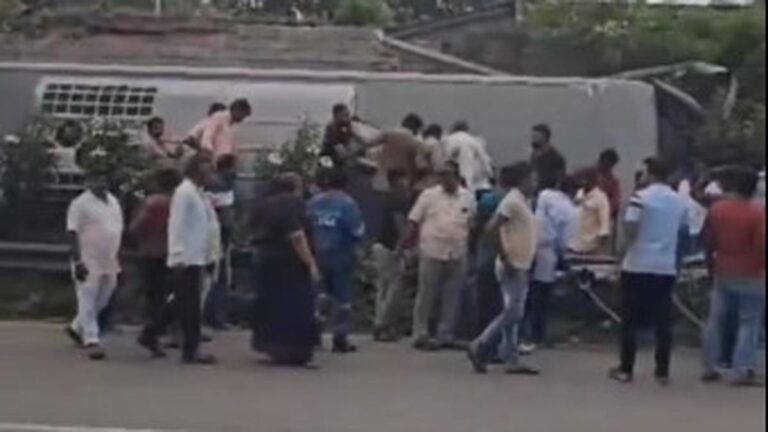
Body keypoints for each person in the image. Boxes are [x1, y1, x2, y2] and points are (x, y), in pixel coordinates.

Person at [609, 158, 689, 385]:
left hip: (637, 264)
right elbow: (683, 230)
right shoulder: (679, 201)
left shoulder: (640, 199)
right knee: (663, 320)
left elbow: (631, 230)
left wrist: (620, 257)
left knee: (629, 319)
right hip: (665, 266)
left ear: (650, 174)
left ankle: (626, 368)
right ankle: (662, 371)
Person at [138, 153, 219, 365]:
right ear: (198, 169)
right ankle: (191, 349)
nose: (212, 174)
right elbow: (176, 224)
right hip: (186, 257)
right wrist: (177, 255)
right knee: (190, 306)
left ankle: (150, 333)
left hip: (197, 255)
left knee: (180, 302)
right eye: (208, 169)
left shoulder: (199, 194)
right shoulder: (184, 193)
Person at [467, 162, 539, 375]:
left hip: (522, 262)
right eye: (532, 179)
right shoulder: (512, 202)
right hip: (512, 263)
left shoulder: (523, 202)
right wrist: (504, 255)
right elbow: (491, 228)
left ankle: (511, 356)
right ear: (523, 180)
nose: (535, 183)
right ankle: (480, 344)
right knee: (513, 312)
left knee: (514, 312)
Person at [701, 167, 765, 386]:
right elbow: (761, 245)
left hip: (722, 267)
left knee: (715, 319)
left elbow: (708, 240)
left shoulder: (717, 210)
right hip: (751, 271)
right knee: (749, 320)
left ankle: (709, 366)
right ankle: (742, 369)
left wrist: (710, 263)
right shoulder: (758, 213)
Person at [251, 173, 321, 366]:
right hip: (289, 262)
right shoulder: (293, 205)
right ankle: (296, 350)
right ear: (296, 187)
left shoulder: (264, 204)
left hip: (266, 260)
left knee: (272, 305)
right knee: (295, 305)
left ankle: (272, 346)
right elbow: (297, 236)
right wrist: (311, 263)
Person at [406, 161, 476, 351]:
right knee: (426, 295)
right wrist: (407, 247)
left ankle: (446, 334)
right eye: (441, 175)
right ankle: (420, 334)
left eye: (448, 174)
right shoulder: (429, 196)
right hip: (432, 250)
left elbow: (471, 223)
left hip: (457, 252)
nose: (444, 179)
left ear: (457, 176)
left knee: (451, 296)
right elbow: (413, 221)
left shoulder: (468, 197)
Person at [64, 169, 124, 361]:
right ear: (88, 182)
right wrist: (78, 260)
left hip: (109, 257)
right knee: (87, 296)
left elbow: (117, 228)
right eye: (96, 180)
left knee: (105, 296)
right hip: (88, 257)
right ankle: (91, 339)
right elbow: (72, 232)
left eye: (103, 179)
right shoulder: (80, 204)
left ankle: (76, 326)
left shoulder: (113, 201)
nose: (100, 183)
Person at [308, 168, 366, 353]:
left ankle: (313, 336)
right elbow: (357, 230)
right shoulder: (348, 204)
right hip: (341, 254)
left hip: (316, 254)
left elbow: (305, 226)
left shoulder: (313, 202)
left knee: (320, 294)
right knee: (343, 298)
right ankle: (340, 339)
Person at [521, 176, 578, 352]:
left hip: (528, 245)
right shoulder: (570, 210)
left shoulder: (545, 195)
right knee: (542, 294)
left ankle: (521, 332)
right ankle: (537, 334)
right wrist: (564, 258)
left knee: (526, 292)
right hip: (547, 250)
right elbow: (563, 240)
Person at [129, 168, 180, 347]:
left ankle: (153, 329)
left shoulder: (152, 203)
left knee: (154, 295)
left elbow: (137, 227)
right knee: (173, 293)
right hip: (172, 252)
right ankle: (173, 330)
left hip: (150, 251)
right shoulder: (178, 202)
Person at [372, 169, 412, 342]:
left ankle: (380, 322)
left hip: (381, 245)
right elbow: (400, 224)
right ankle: (384, 324)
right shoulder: (399, 200)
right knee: (394, 288)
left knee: (383, 287)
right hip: (391, 247)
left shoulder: (388, 198)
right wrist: (401, 247)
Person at [203, 154, 238, 330]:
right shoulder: (222, 186)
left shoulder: (217, 185)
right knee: (218, 278)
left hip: (215, 237)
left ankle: (213, 316)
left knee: (215, 278)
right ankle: (216, 317)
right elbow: (225, 216)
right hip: (217, 238)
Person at [368, 113, 428, 190]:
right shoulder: (416, 142)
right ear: (416, 128)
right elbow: (422, 166)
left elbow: (369, 142)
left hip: (382, 176)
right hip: (401, 181)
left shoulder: (389, 132)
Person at [569, 168, 612, 255]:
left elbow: (605, 224)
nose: (581, 182)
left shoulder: (601, 198)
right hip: (573, 244)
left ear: (592, 181)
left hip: (590, 247)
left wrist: (601, 243)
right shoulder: (579, 194)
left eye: (584, 179)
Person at [444, 121, 493, 197]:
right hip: (471, 176)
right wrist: (490, 173)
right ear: (466, 129)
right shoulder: (472, 140)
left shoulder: (448, 139)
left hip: (452, 174)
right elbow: (483, 158)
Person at [529, 123, 566, 191]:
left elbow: (560, 180)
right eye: (533, 136)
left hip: (548, 192)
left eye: (536, 136)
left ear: (544, 137)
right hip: (535, 191)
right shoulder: (534, 154)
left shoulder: (556, 157)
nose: (533, 139)